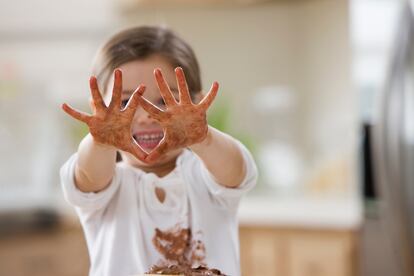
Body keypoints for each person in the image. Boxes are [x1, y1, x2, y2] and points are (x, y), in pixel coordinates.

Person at [60, 25, 257, 276]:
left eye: (165, 101)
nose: (146, 116)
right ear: (99, 109)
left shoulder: (207, 176)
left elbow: (235, 170)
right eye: (124, 103)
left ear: (197, 104)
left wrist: (203, 138)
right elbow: (88, 177)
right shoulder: (105, 188)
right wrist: (101, 141)